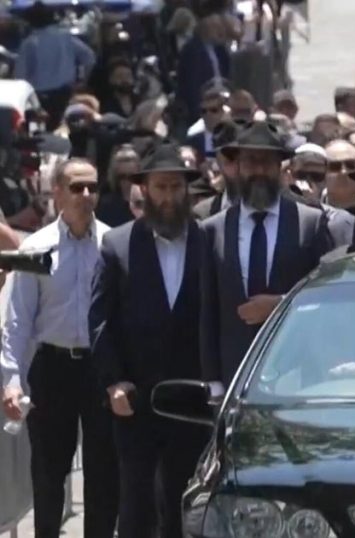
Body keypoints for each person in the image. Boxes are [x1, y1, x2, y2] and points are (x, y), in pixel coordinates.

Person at [90, 143, 208, 538]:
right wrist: (113, 381)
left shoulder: (209, 240)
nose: (169, 197)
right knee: (137, 505)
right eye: (161, 187)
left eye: (176, 187)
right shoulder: (118, 245)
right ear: (144, 189)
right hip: (136, 399)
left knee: (185, 504)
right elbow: (100, 321)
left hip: (193, 400)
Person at [1, 159, 119, 538]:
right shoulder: (36, 247)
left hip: (100, 368)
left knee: (103, 474)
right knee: (49, 474)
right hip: (53, 367)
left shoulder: (113, 245)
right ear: (57, 192)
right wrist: (11, 380)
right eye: (76, 187)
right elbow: (17, 320)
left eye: (92, 187)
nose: (86, 195)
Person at [199, 122, 333, 394]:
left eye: (267, 163)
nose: (258, 171)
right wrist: (213, 381)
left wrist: (281, 304)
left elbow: (326, 296)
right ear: (237, 167)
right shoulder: (213, 229)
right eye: (251, 162)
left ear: (280, 168)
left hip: (297, 372)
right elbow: (207, 310)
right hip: (235, 375)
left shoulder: (310, 223)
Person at [14, 1, 96, 130]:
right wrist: (82, 80)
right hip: (65, 93)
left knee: (41, 131)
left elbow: (20, 76)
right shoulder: (66, 37)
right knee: (65, 128)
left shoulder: (29, 43)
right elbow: (89, 57)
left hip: (39, 97)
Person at [177, 11, 231, 123]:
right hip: (204, 100)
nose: (219, 31)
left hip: (222, 95)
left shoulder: (219, 49)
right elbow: (192, 83)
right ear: (205, 29)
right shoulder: (192, 50)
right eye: (215, 27)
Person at [192, 120, 242, 219]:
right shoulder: (202, 214)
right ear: (218, 160)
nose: (238, 165)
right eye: (230, 157)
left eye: (245, 157)